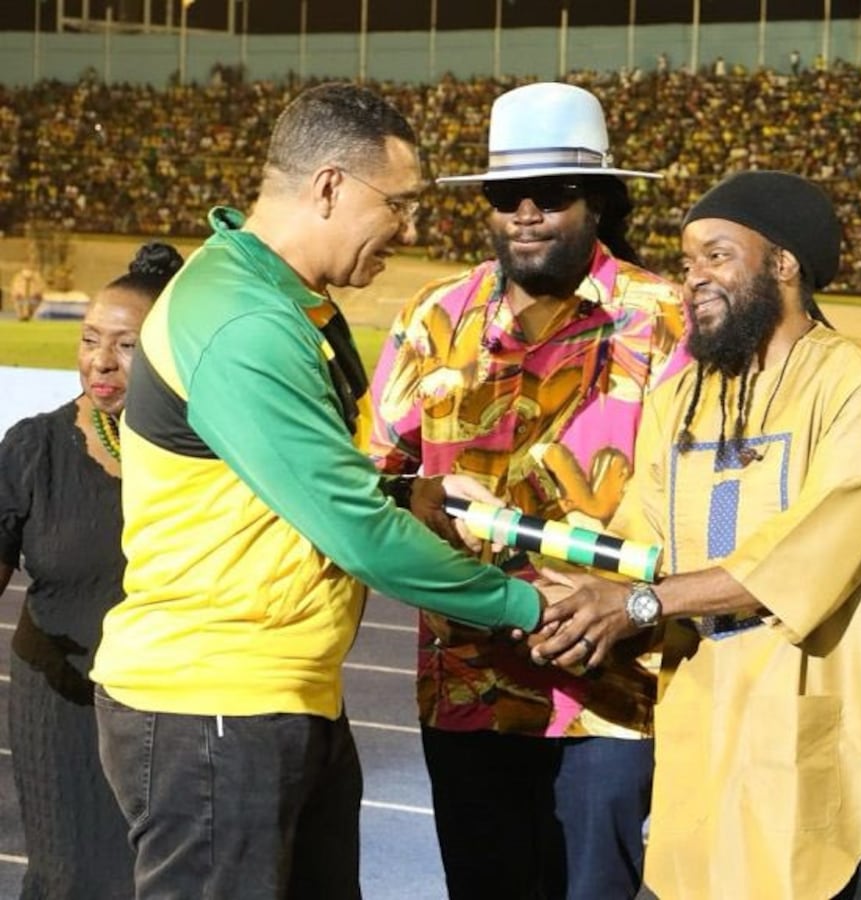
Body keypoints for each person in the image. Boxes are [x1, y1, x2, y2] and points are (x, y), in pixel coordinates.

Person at [90, 83, 544, 900]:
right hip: (217, 705)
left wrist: (407, 492)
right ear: (331, 185)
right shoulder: (242, 319)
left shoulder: (271, 299)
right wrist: (528, 608)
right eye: (398, 204)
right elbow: (357, 533)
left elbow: (291, 477)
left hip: (271, 693)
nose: (410, 229)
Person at [526, 171, 861, 899]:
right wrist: (564, 591)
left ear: (783, 265)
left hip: (835, 755)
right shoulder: (680, 398)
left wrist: (637, 605)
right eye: (688, 261)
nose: (692, 278)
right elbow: (642, 544)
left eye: (717, 256)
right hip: (710, 749)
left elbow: (813, 551)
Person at [367, 81, 686, 900]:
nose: (528, 212)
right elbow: (376, 476)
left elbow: (714, 492)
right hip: (467, 682)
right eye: (508, 194)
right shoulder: (434, 318)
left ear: (603, 201)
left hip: (616, 687)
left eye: (555, 193)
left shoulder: (667, 321)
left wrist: (640, 600)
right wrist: (417, 499)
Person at [0, 242, 181, 900]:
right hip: (60, 697)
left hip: (168, 707)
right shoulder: (34, 447)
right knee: (69, 878)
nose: (100, 362)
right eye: (89, 339)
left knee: (147, 881)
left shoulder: (208, 453)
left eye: (126, 345)